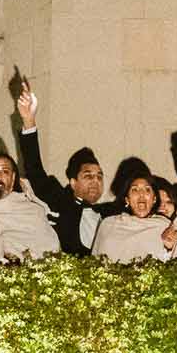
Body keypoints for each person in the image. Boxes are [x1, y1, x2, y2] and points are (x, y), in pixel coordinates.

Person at [15, 80, 116, 256]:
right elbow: (34, 169)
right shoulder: (59, 201)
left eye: (99, 176)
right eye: (88, 176)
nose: (95, 181)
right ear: (73, 182)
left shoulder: (110, 212)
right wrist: (29, 120)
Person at [92, 160, 175, 263]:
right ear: (127, 200)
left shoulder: (165, 226)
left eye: (147, 189)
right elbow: (94, 263)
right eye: (135, 190)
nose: (141, 194)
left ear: (154, 199)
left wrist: (169, 249)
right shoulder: (108, 224)